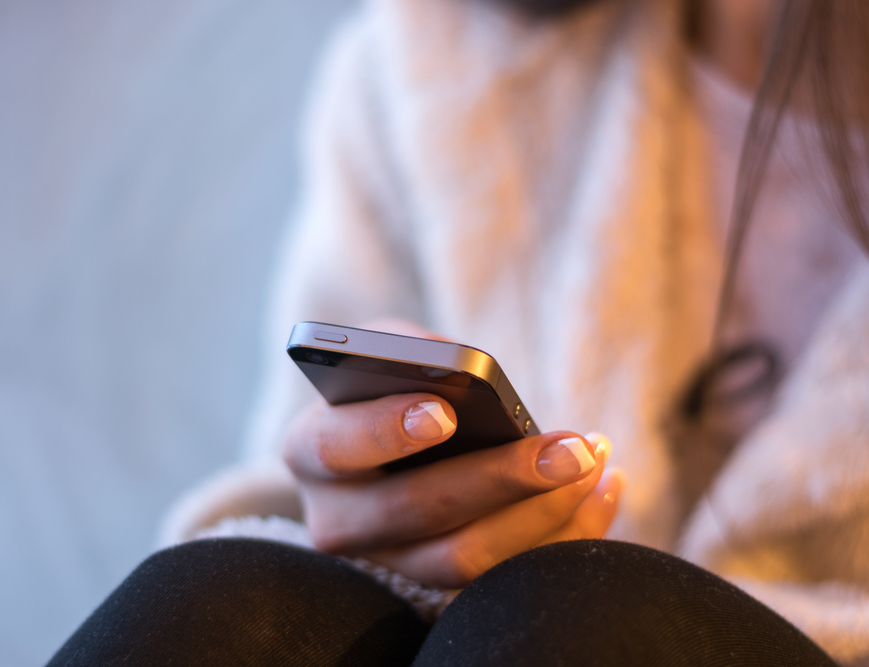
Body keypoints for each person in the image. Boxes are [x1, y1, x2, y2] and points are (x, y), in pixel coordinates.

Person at [48, 0, 869, 664]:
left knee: (574, 617)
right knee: (225, 605)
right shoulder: (434, 70)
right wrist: (355, 508)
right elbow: (293, 497)